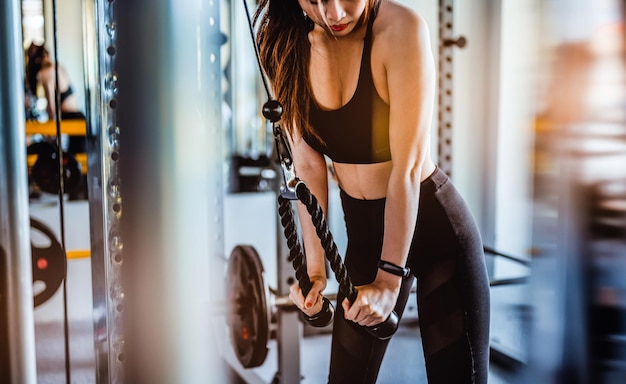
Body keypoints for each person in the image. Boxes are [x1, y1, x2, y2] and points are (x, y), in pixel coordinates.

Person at [255, 0, 490, 382]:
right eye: (314, 1)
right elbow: (309, 165)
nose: (334, 14)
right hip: (365, 236)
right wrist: (315, 272)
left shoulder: (401, 30)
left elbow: (407, 167)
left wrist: (389, 280)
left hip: (434, 233)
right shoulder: (284, 43)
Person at [26, 43, 86, 154]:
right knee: (75, 160)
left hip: (72, 119)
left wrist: (51, 131)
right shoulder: (56, 67)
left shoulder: (45, 72)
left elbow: (51, 107)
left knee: (73, 161)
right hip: (77, 117)